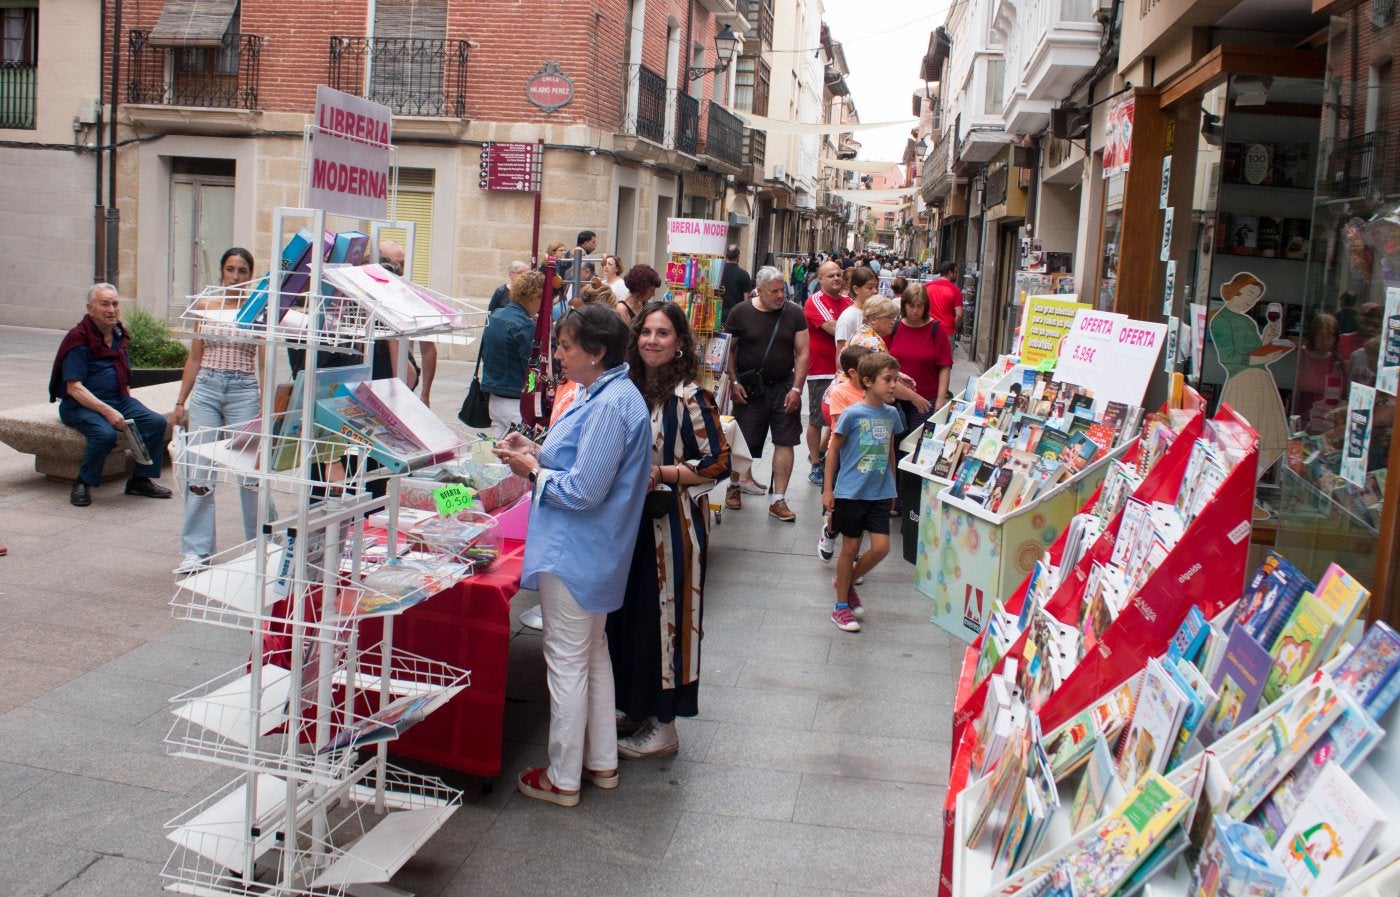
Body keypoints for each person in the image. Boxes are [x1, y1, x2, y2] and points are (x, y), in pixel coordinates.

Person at [493, 304, 652, 806]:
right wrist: (535, 451)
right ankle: (601, 760)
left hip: (578, 551)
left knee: (567, 661)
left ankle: (563, 776)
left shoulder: (611, 403)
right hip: (590, 552)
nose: (557, 355)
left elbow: (583, 491)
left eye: (565, 347)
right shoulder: (602, 394)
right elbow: (578, 462)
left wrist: (531, 470)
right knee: (591, 656)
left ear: (597, 351)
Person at [611, 301, 731, 759]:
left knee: (668, 622)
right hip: (629, 526)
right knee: (636, 620)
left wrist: (662, 473)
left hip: (673, 529)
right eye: (646, 332)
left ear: (680, 342)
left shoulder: (690, 396)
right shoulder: (629, 387)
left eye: (663, 334)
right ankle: (636, 707)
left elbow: (718, 463)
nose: (652, 341)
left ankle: (665, 728)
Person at [172, 248, 271, 574]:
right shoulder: (206, 305)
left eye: (242, 271)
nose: (236, 276)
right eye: (230, 269)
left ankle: (262, 546)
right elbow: (195, 357)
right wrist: (180, 401)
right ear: (221, 271)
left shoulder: (258, 309)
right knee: (199, 473)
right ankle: (197, 552)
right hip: (208, 389)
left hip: (243, 390)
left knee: (251, 473)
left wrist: (266, 404)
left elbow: (263, 360)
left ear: (250, 275)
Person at [50, 283, 173, 507]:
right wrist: (108, 412)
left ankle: (140, 480)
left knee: (156, 423)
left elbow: (122, 373)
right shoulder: (78, 338)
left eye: (115, 304)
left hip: (118, 399)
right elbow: (74, 388)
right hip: (79, 406)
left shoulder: (117, 334)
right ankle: (83, 482)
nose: (111, 309)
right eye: (104, 304)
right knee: (104, 434)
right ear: (90, 308)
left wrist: (121, 404)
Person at [821, 352, 903, 632]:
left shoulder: (892, 414)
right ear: (867, 381)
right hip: (851, 492)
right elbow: (833, 451)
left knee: (881, 548)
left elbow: (890, 449)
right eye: (887, 380)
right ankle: (841, 606)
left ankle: (845, 583)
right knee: (851, 548)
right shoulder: (852, 413)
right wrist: (827, 489)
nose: (893, 385)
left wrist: (893, 485)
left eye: (896, 379)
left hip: (879, 492)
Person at [1210, 272, 1292, 473]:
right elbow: (1229, 357)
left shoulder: (1246, 321)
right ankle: (1239, 480)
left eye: (1254, 297)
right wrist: (1265, 357)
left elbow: (1255, 350)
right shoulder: (1221, 320)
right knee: (1241, 439)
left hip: (1260, 381)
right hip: (1243, 381)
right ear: (1235, 291)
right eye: (1248, 294)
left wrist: (1268, 339)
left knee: (1269, 440)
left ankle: (1251, 481)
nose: (1251, 300)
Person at [802, 260, 852, 486]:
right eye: (830, 276)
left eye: (839, 275)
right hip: (821, 370)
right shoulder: (815, 301)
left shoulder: (849, 302)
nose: (836, 279)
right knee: (816, 419)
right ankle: (815, 464)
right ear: (819, 279)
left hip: (846, 371)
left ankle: (822, 454)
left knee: (837, 419)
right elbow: (834, 328)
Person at [479, 271, 544, 439]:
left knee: (500, 451)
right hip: (516, 402)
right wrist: (531, 392)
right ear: (533, 297)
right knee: (516, 454)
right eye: (541, 299)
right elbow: (531, 371)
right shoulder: (525, 326)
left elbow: (486, 355)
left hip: (495, 398)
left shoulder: (495, 317)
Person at [888, 282, 954, 437]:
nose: (915, 311)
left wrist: (940, 399)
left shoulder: (936, 329)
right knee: (894, 445)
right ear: (904, 305)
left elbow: (945, 366)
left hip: (926, 400)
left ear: (926, 307)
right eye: (911, 306)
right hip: (895, 398)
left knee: (917, 444)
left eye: (919, 306)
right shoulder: (895, 326)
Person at [1293, 313, 1345, 431]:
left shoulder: (1337, 361)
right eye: (1321, 335)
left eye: (1330, 335)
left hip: (1326, 423)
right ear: (1313, 335)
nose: (1325, 340)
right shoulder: (1299, 356)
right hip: (1300, 420)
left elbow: (1343, 396)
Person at [834, 267, 881, 357]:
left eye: (876, 287)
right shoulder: (848, 317)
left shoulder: (875, 313)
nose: (875, 291)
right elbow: (840, 355)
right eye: (870, 287)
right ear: (856, 289)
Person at [924, 261, 964, 346]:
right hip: (947, 331)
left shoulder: (927, 287)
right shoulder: (955, 290)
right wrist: (954, 328)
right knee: (945, 358)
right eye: (955, 272)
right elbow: (959, 314)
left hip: (928, 329)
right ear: (950, 273)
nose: (956, 275)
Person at [719, 244, 755, 322]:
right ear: (738, 257)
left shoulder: (717, 272)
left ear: (725, 255)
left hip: (716, 314)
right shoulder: (744, 274)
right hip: (735, 316)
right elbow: (746, 299)